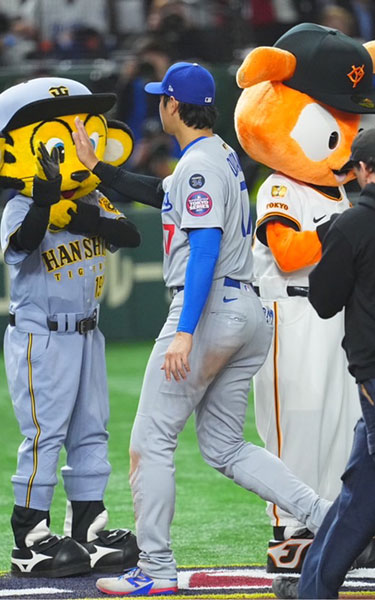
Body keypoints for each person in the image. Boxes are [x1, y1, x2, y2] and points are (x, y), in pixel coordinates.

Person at [71, 61, 331, 596]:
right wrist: (98, 170)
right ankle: (329, 518)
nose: (157, 107)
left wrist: (186, 330)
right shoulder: (216, 157)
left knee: (151, 439)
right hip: (247, 311)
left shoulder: (197, 167)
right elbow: (158, 192)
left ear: (172, 106)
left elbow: (205, 246)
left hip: (209, 307)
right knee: (225, 448)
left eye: (160, 100)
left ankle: (156, 569)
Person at [271, 126, 375, 600]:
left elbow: (323, 301)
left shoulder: (354, 223)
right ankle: (313, 589)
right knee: (360, 496)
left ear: (361, 170)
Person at [0, 80, 143, 578]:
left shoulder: (94, 198)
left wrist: (75, 211)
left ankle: (88, 526)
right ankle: (30, 536)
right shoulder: (19, 206)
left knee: (91, 429)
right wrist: (46, 199)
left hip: (86, 333)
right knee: (44, 434)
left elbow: (130, 233)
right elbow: (27, 240)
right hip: (40, 333)